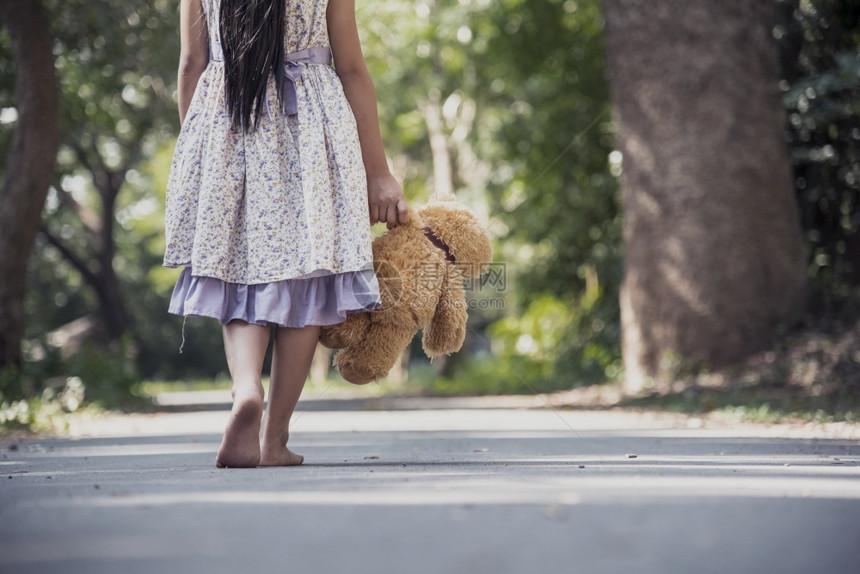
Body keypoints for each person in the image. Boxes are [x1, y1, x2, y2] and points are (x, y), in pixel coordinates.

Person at [163, 0, 408, 468]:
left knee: (235, 271)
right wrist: (378, 172)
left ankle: (246, 389)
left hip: (228, 119)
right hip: (313, 126)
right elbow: (352, 68)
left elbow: (192, 62)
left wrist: (197, 146)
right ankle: (272, 440)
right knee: (307, 279)